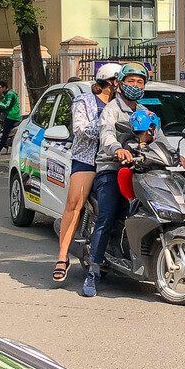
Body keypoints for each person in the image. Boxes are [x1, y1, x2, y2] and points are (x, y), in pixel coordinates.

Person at [81, 62, 162, 297]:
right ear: (121, 84)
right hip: (112, 169)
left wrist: (178, 156)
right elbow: (105, 133)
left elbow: (159, 139)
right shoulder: (111, 109)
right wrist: (117, 148)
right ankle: (93, 270)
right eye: (131, 81)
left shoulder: (146, 113)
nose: (135, 86)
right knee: (107, 215)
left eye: (140, 82)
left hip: (141, 170)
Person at [52, 63, 121, 283]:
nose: (121, 85)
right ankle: (62, 257)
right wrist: (106, 126)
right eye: (118, 81)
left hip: (114, 160)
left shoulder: (123, 104)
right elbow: (80, 129)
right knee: (74, 204)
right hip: (87, 160)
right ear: (108, 82)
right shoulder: (84, 101)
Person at [0, 80, 21, 155]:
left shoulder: (10, 94)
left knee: (5, 133)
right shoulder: (5, 94)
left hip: (12, 116)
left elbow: (6, 106)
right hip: (7, 115)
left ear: (4, 87)